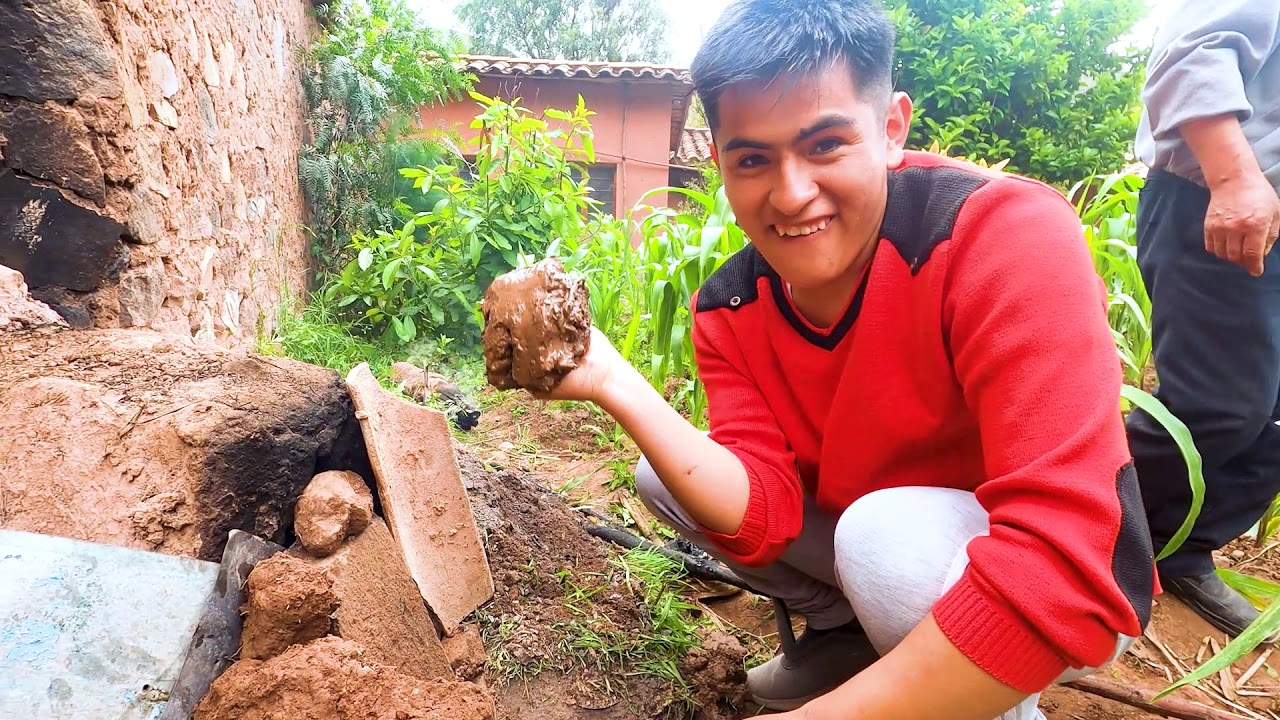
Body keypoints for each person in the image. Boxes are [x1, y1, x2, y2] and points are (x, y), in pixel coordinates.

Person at [536, 0, 1155, 717]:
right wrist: (614, 382)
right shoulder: (729, 307)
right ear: (720, 165)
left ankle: (1000, 705)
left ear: (891, 129)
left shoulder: (1000, 235)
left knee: (882, 542)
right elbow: (763, 514)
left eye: (825, 144)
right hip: (875, 533)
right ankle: (846, 639)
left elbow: (1066, 562)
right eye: (753, 159)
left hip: (1041, 568)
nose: (792, 193)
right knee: (664, 471)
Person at [1125, 0, 1280, 641]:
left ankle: (1178, 546)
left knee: (1272, 419)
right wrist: (1235, 175)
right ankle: (1077, 528)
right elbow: (1194, 50)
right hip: (1223, 202)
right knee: (1214, 409)